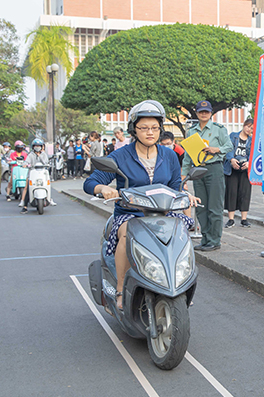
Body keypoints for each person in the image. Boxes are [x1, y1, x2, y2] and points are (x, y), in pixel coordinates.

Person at [84, 100, 197, 310]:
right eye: (144, 128)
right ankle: (120, 290)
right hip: (131, 215)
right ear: (133, 129)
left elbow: (174, 186)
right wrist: (103, 189)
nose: (150, 132)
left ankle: (179, 284)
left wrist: (184, 194)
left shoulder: (170, 155)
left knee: (181, 236)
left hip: (163, 214)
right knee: (127, 235)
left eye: (154, 128)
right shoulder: (120, 156)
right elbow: (90, 182)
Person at [181, 100, 232, 251]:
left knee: (214, 207)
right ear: (196, 113)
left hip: (214, 169)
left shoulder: (219, 129)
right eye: (201, 111)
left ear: (211, 113)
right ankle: (205, 238)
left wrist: (217, 149)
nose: (204, 114)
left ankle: (214, 240)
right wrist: (184, 176)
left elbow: (229, 146)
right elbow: (187, 156)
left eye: (207, 111)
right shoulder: (191, 131)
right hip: (197, 171)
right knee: (201, 206)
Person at [224, 118, 254, 228]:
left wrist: (249, 163)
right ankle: (231, 219)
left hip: (245, 169)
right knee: (231, 192)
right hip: (232, 168)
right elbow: (228, 149)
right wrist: (232, 160)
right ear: (243, 125)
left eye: (251, 128)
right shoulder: (233, 135)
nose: (249, 129)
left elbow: (253, 153)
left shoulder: (252, 140)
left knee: (245, 193)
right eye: (248, 126)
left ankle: (244, 219)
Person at [19, 138, 56, 213]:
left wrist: (40, 156)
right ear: (33, 147)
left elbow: (46, 162)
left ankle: (50, 199)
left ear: (42, 146)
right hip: (33, 173)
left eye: (39, 145)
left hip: (42, 173)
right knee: (28, 188)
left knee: (47, 185)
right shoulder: (31, 154)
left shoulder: (44, 154)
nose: (37, 147)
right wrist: (25, 165)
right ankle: (25, 206)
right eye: (36, 145)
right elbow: (26, 162)